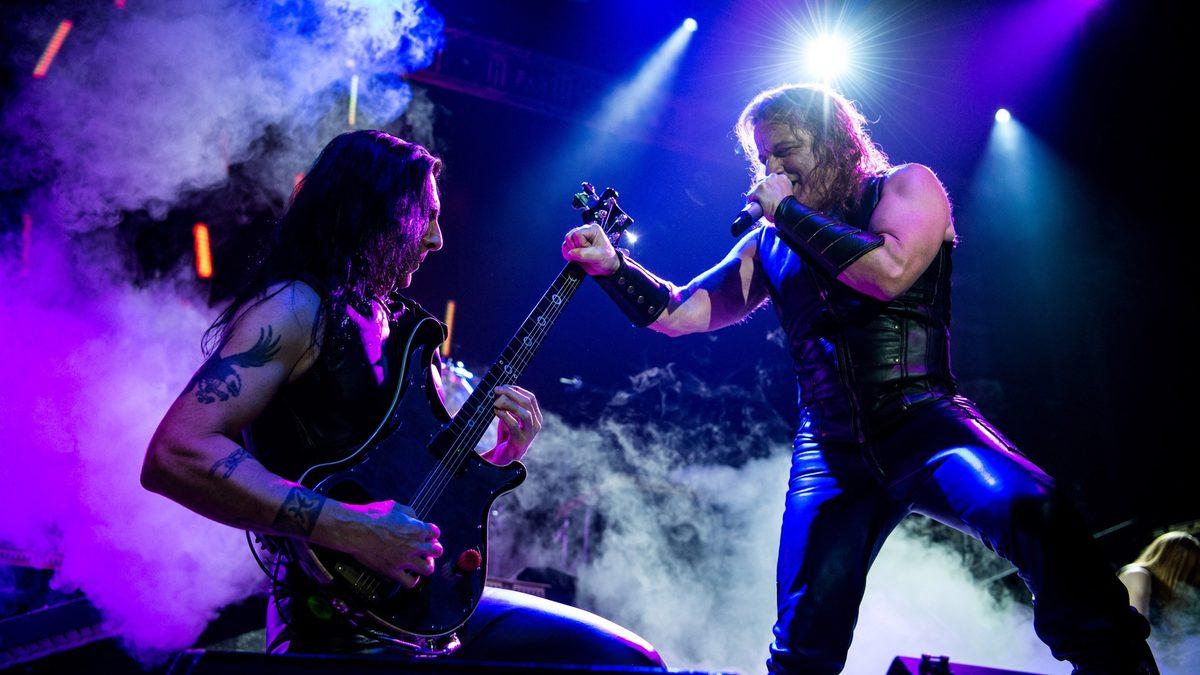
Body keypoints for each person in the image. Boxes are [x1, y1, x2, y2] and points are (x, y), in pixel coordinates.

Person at [561, 83, 1156, 674]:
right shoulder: (768, 242)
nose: (773, 169)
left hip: (924, 421)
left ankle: (1116, 665)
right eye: (763, 157)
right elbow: (681, 312)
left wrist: (787, 213)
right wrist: (614, 267)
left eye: (786, 150)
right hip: (831, 448)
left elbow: (888, 272)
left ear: (834, 141)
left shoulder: (906, 188)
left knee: (1036, 511)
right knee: (804, 640)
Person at [141, 130, 662, 666]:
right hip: (335, 622)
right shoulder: (294, 308)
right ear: (371, 211)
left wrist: (498, 459)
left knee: (628, 659)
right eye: (425, 217)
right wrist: (353, 528)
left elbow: (410, 492)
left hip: (425, 608)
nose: (437, 239)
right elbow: (177, 453)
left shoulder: (403, 326)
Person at [1119, 531, 1200, 624]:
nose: (1184, 577)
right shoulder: (1137, 575)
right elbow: (1136, 627)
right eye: (1185, 568)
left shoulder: (1159, 585)